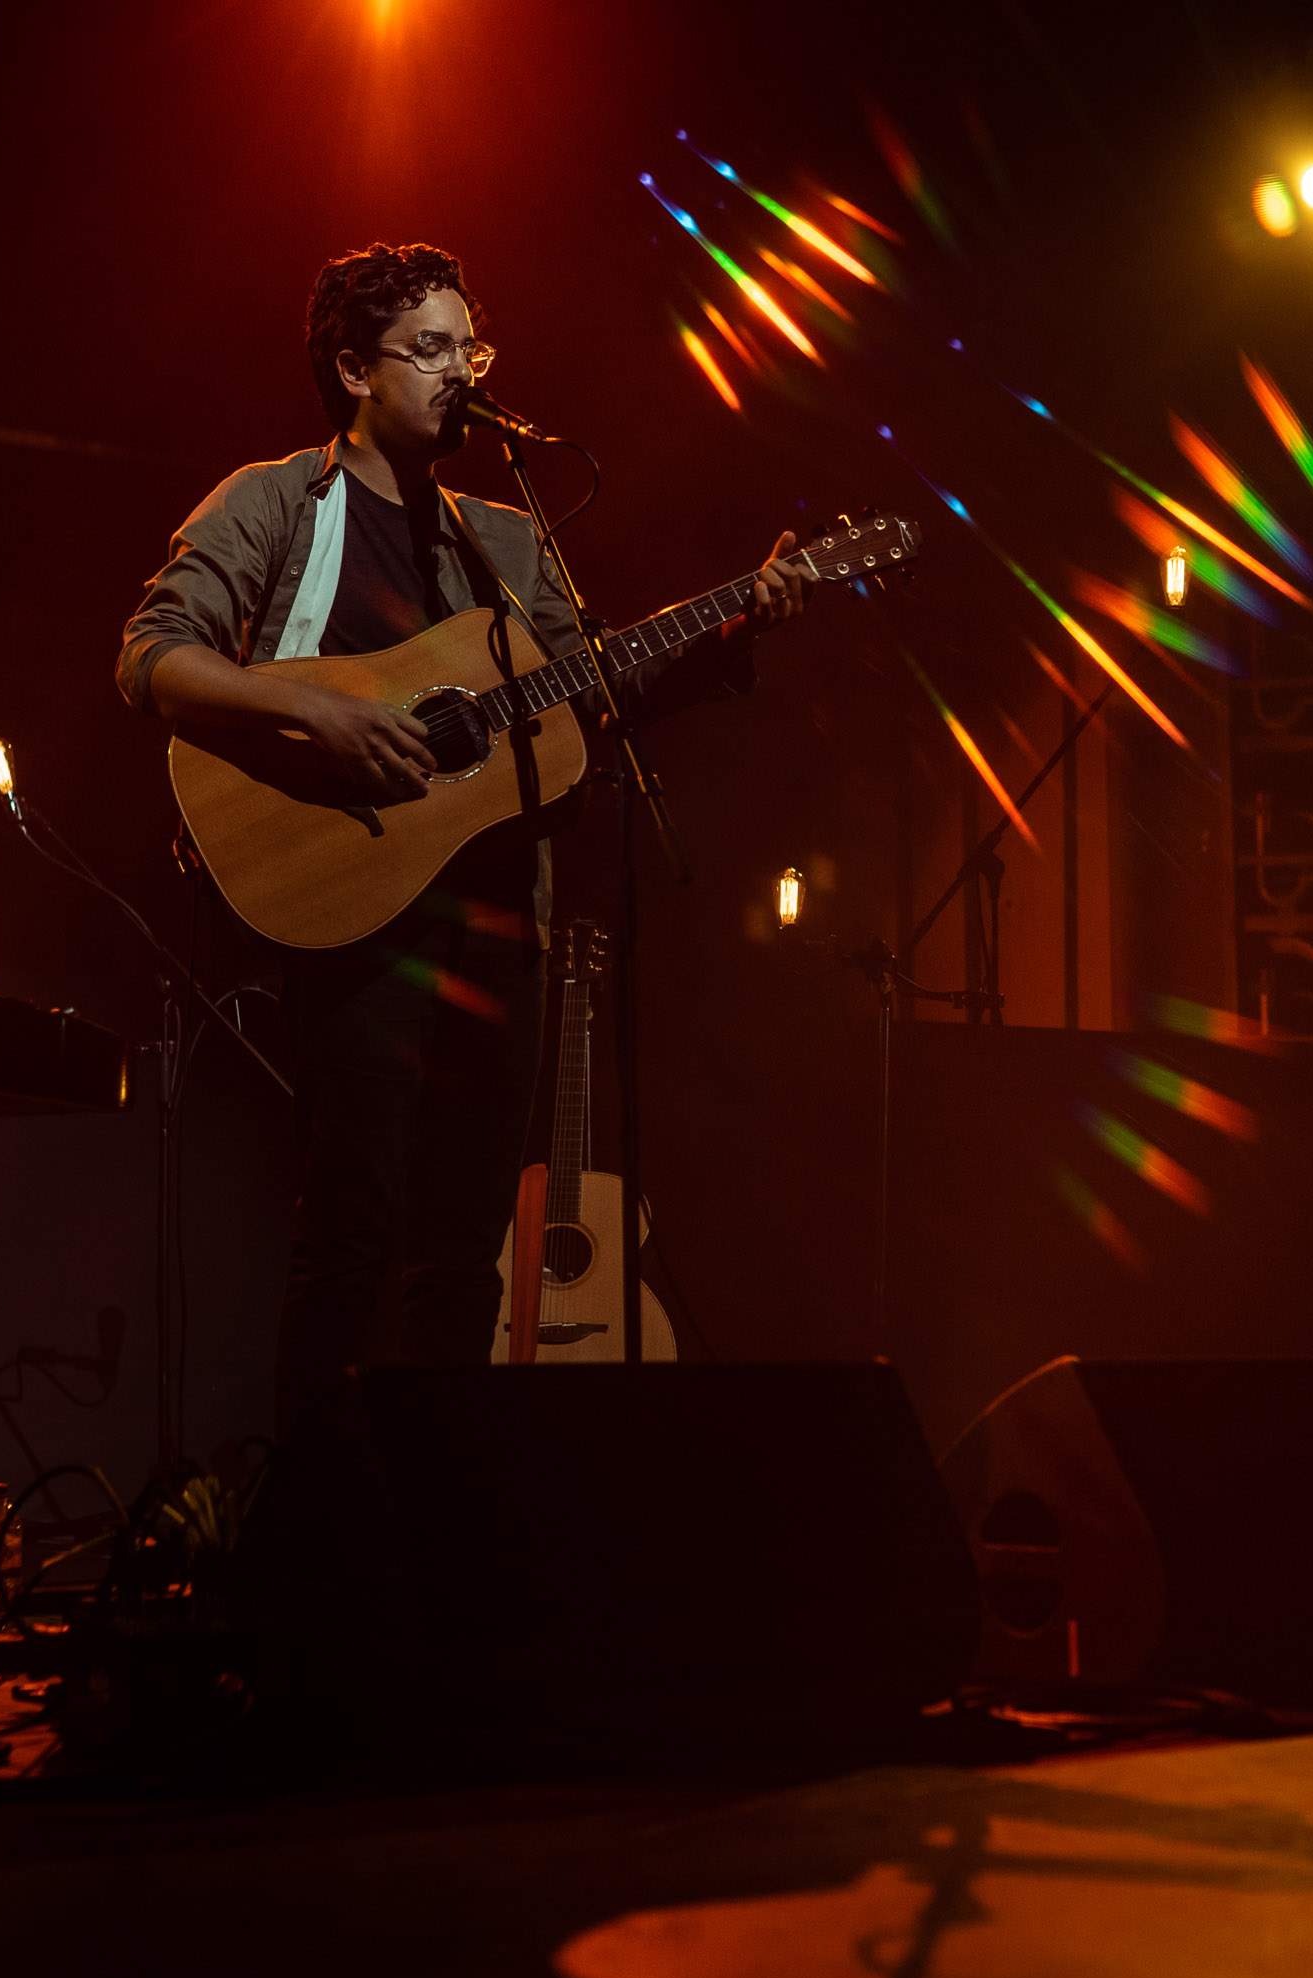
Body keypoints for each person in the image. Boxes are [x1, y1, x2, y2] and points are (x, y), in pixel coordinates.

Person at [115, 241, 806, 1440]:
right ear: (352, 368)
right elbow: (152, 657)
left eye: (468, 348)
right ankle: (311, 1529)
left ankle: (428, 1523)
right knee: (350, 1230)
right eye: (428, 349)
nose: (459, 372)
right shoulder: (276, 501)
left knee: (464, 1254)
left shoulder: (506, 537)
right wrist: (315, 708)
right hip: (356, 909)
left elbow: (575, 696)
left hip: (500, 926)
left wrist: (728, 620)